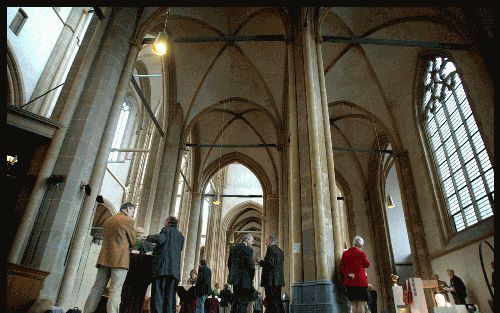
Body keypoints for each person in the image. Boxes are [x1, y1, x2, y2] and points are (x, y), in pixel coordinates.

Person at [84, 202, 137, 313]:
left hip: (104, 258)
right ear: (127, 210)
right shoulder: (128, 221)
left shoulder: (108, 220)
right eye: (132, 212)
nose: (132, 215)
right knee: (115, 291)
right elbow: (133, 242)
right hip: (119, 260)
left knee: (96, 288)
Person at [146, 216, 185, 313]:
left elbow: (160, 240)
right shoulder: (180, 236)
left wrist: (148, 237)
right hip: (174, 271)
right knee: (170, 296)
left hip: (162, 269)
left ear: (168, 221)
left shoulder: (166, 230)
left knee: (158, 294)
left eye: (165, 220)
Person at [340, 236, 370, 313]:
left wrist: (348, 273)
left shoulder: (345, 253)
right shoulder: (361, 253)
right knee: (361, 303)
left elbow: (342, 267)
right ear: (361, 245)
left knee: (353, 304)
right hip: (360, 282)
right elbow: (367, 264)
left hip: (350, 281)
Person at [227, 233, 255, 313]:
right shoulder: (248, 249)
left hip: (235, 280)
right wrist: (251, 279)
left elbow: (229, 264)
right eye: (252, 241)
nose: (252, 243)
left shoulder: (233, 248)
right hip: (245, 281)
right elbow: (251, 267)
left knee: (235, 300)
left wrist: (233, 275)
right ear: (247, 240)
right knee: (243, 302)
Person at [258, 234, 284, 313]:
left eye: (266, 240)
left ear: (270, 240)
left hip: (271, 280)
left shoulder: (270, 249)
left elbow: (270, 264)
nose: (265, 243)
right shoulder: (280, 250)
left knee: (271, 301)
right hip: (278, 280)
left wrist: (260, 261)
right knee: (278, 301)